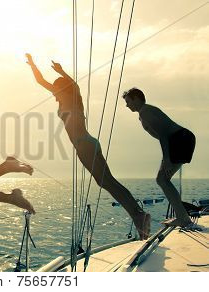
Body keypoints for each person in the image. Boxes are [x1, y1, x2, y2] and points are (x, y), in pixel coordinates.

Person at [26, 53, 150, 239]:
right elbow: (51, 82)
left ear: (61, 90)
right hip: (90, 142)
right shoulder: (76, 101)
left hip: (84, 145)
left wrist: (46, 68)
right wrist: (43, 67)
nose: (53, 92)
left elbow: (48, 82)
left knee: (107, 182)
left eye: (56, 89)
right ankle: (138, 215)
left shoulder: (69, 98)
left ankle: (138, 216)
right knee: (109, 182)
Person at [122, 88, 196, 227]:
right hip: (181, 139)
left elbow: (163, 134)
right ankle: (182, 217)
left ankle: (183, 218)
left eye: (128, 101)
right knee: (163, 179)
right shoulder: (144, 112)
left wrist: (166, 158)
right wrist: (166, 158)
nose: (127, 105)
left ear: (136, 98)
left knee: (162, 179)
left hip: (180, 139)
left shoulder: (145, 112)